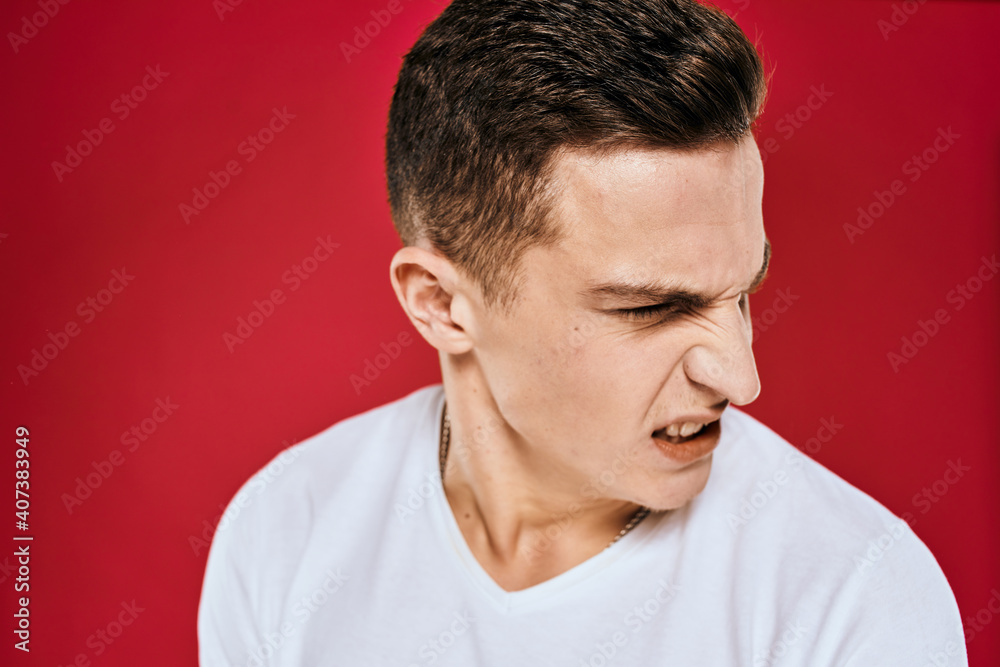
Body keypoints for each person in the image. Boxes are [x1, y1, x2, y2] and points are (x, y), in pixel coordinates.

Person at [198, 0, 967, 664]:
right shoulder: (283, 538)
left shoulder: (855, 597)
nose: (741, 378)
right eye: (649, 309)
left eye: (743, 292)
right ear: (439, 302)